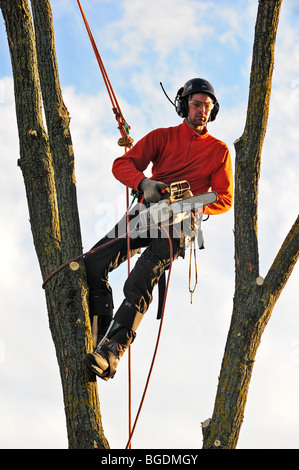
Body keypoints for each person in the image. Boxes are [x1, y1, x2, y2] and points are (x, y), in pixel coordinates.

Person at [83, 78, 233, 381]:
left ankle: (112, 349)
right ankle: (96, 330)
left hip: (178, 224)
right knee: (94, 262)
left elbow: (225, 197)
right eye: (196, 104)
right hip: (147, 211)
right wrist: (145, 183)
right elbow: (122, 164)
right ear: (183, 106)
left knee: (142, 276)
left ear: (213, 111)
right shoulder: (162, 137)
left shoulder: (218, 151)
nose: (202, 110)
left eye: (207, 105)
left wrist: (194, 203)